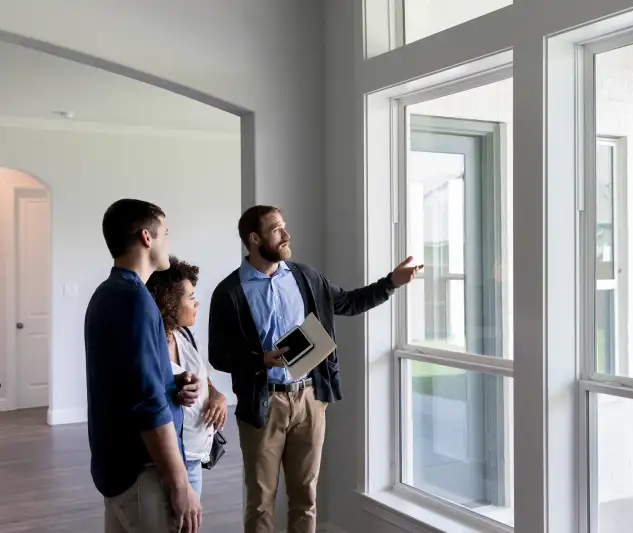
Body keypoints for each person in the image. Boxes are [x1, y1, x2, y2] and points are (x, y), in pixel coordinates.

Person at [208, 205, 422, 533]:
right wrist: (260, 360)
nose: (287, 235)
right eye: (277, 229)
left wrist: (391, 282)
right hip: (263, 404)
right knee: (261, 502)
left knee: (306, 497)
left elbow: (348, 302)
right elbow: (218, 355)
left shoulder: (306, 277)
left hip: (309, 400)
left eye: (285, 227)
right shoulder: (230, 291)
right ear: (254, 239)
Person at [85, 199, 203, 533]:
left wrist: (171, 383)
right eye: (166, 232)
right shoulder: (136, 300)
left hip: (116, 471)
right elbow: (147, 403)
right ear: (147, 238)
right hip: (144, 473)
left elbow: (125, 382)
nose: (169, 240)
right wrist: (180, 484)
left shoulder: (106, 293)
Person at [147, 256, 228, 496]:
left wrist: (216, 395)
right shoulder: (151, 345)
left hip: (195, 459)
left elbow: (204, 377)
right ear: (170, 302)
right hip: (169, 463)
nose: (197, 304)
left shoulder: (186, 336)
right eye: (190, 298)